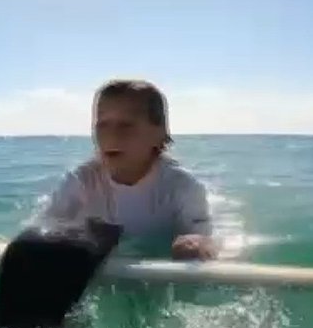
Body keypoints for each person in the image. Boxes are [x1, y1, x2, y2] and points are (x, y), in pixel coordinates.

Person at [38, 79, 218, 260]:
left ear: (159, 134)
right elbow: (46, 227)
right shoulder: (82, 181)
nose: (111, 135)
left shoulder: (182, 186)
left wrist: (197, 242)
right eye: (102, 125)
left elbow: (204, 236)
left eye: (126, 125)